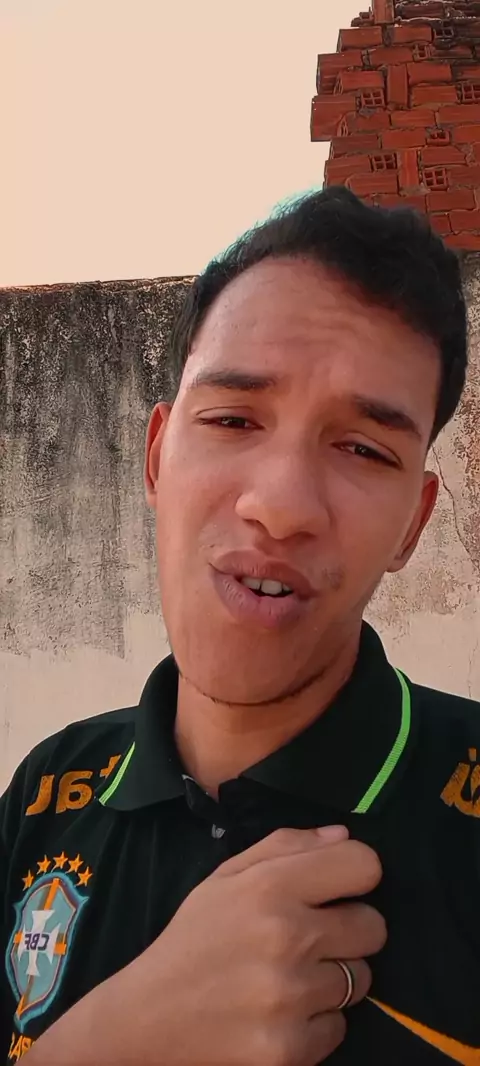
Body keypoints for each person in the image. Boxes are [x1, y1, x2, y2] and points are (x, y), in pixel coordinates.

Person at [0, 184, 477, 1066]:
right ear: (156, 457)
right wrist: (115, 1040)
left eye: (363, 448)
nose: (281, 506)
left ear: (413, 525)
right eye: (231, 419)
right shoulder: (45, 793)